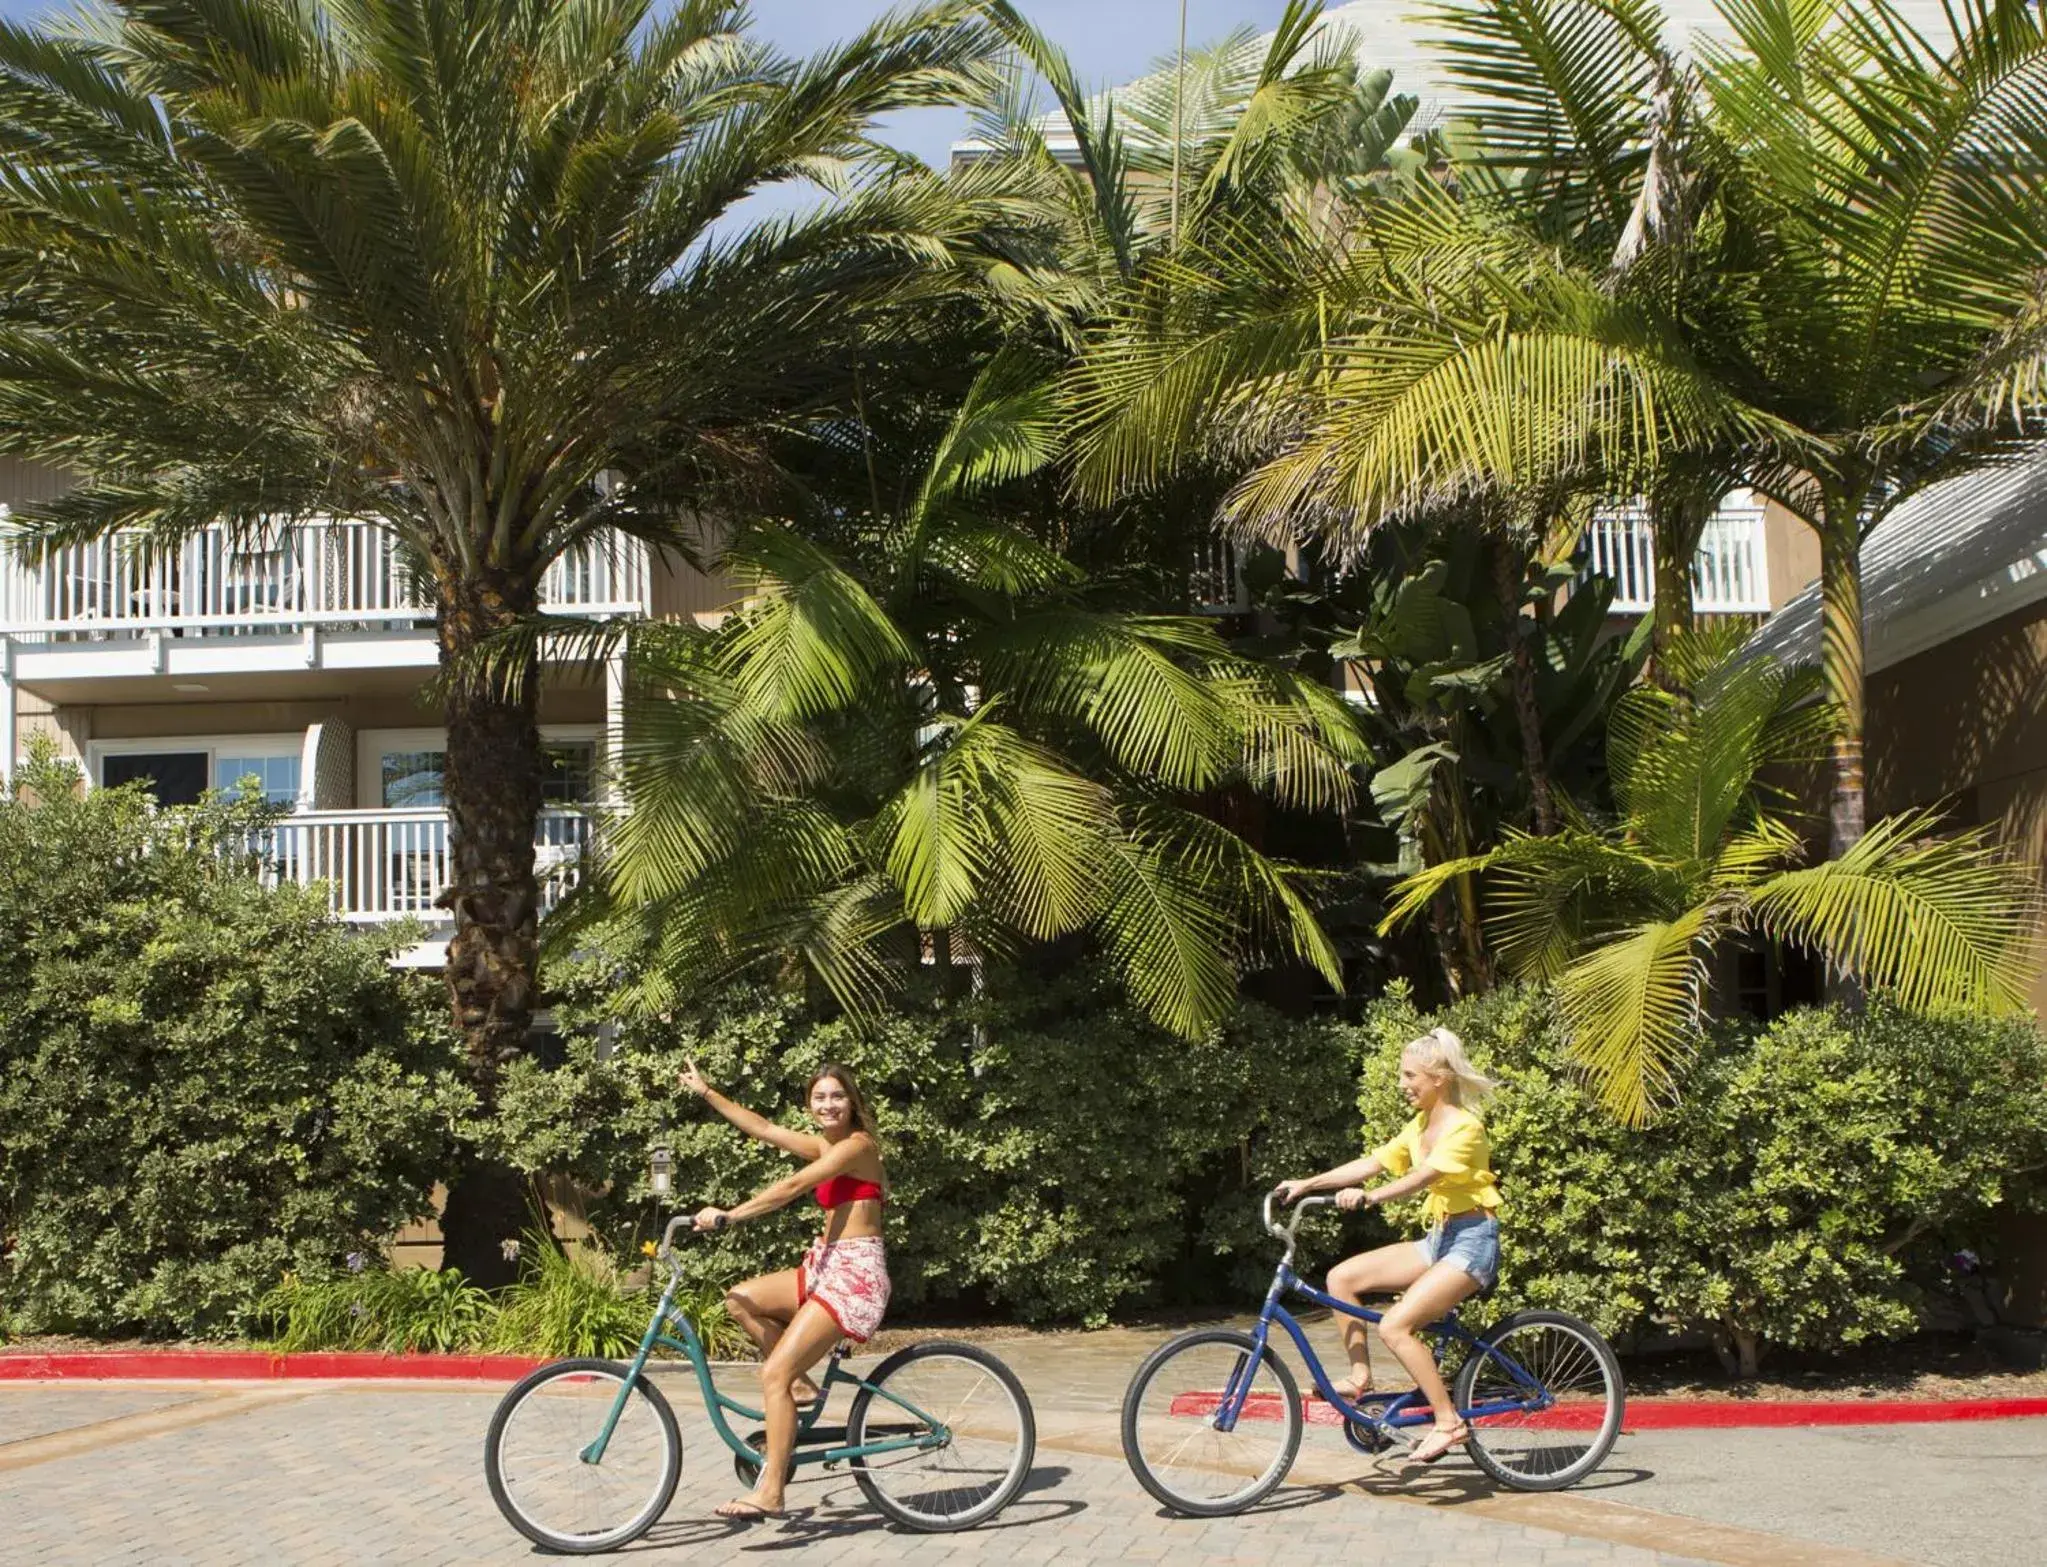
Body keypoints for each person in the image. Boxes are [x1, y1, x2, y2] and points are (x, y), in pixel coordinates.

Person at [1273, 1026, 1501, 1466]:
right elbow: (1374, 1162)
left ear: (1438, 1078)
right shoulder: (1420, 1125)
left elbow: (1422, 1178)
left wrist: (1371, 1197)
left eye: (1410, 1075)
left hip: (1472, 1243)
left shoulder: (1465, 1128)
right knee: (1342, 1277)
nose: (1402, 1084)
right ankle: (1360, 1377)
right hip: (1440, 1238)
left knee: (1394, 1326)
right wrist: (1307, 1184)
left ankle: (1449, 1421)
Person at [680, 1058, 890, 1522]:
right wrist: (707, 1092)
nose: (828, 1104)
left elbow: (795, 1185)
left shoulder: (857, 1146)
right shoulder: (824, 1144)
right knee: (740, 1300)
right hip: (824, 1266)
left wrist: (731, 1215)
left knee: (770, 1376)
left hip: (854, 1277)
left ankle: (771, 1492)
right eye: (820, 1097)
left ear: (852, 1102)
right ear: (810, 1104)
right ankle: (801, 1386)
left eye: (837, 1096)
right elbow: (765, 1127)